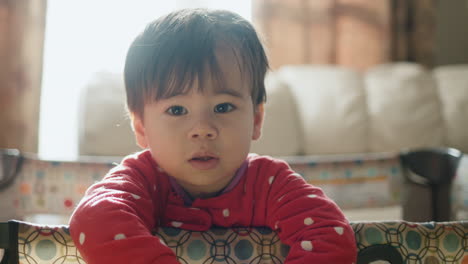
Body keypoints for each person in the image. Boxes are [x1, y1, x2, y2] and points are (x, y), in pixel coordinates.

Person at [69, 8, 357, 264]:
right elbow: (94, 218)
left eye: (223, 107)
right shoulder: (140, 179)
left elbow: (330, 233)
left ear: (256, 119)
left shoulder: (270, 184)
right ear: (142, 128)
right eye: (177, 109)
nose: (203, 128)